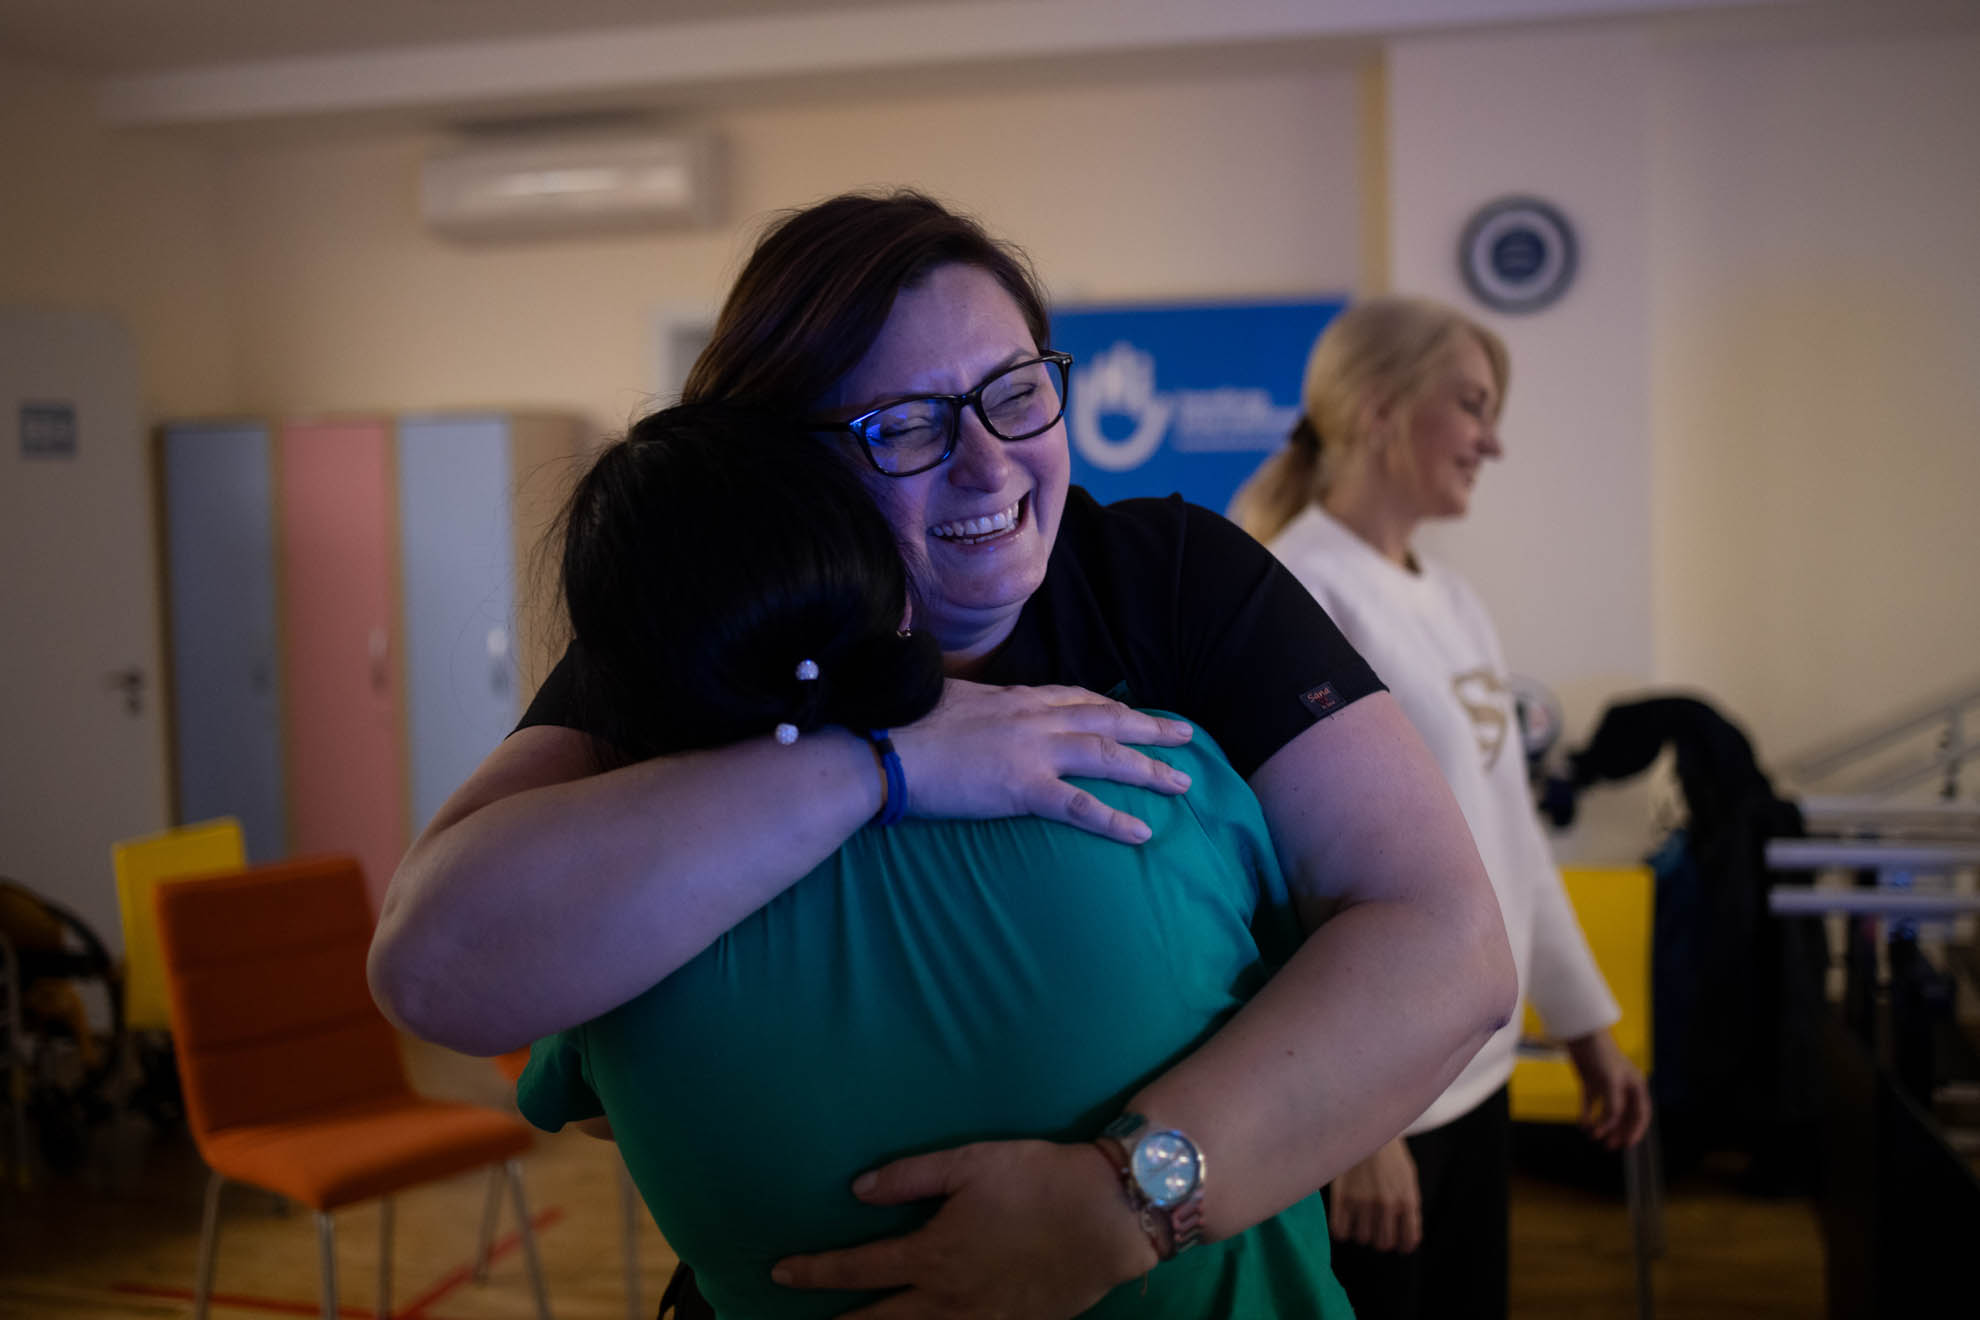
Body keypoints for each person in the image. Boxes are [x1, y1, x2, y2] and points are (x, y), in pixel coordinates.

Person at [369, 191, 1517, 1318]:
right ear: (778, 469)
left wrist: (1126, 1203)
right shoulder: (699, 649)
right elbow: (438, 963)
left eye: (1017, 394)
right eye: (907, 423)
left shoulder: (1168, 584)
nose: (991, 463)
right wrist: (885, 764)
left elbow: (1449, 948)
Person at [516, 400, 1353, 1316]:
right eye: (909, 425)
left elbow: (592, 1110)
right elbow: (1323, 979)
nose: (986, 463)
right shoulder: (1147, 770)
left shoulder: (608, 934)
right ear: (873, 569)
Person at [1230, 295, 1654, 1320]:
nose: (1492, 440)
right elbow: (1270, 876)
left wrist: (1588, 1023)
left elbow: (1508, 836)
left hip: (1477, 1070)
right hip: (1379, 1096)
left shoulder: (1453, 601)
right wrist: (1360, 1123)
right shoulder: (1299, 588)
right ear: (1379, 408)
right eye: (1472, 405)